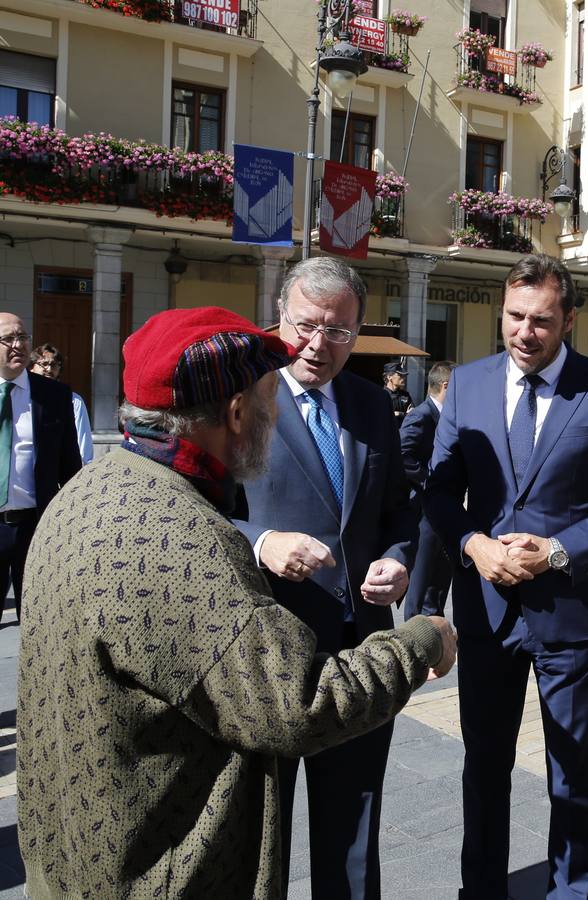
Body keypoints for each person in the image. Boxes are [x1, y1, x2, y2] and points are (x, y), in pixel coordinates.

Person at [16, 307, 456, 899]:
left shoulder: (89, 488)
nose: (277, 416)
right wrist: (422, 639)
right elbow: (298, 704)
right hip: (164, 869)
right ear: (235, 412)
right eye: (270, 401)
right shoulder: (181, 535)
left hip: (79, 853)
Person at [424, 253, 588, 899]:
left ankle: (571, 891)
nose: (525, 332)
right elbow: (438, 495)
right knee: (484, 765)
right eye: (515, 317)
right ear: (502, 312)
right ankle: (482, 890)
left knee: (572, 768)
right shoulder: (466, 387)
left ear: (569, 319)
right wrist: (472, 544)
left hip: (569, 615)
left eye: (541, 321)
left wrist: (555, 550)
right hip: (487, 613)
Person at [231, 257, 419, 898]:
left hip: (361, 645)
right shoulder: (243, 398)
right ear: (280, 320)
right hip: (268, 652)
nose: (319, 344)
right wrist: (261, 543)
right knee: (263, 831)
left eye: (338, 331)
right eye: (306, 326)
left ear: (357, 330)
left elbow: (397, 506)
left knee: (355, 826)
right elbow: (202, 512)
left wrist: (397, 557)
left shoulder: (372, 404)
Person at [0, 314, 80, 622]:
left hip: (33, 528)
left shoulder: (54, 396)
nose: (18, 345)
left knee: (37, 621)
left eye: (23, 337)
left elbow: (70, 467)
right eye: (8, 339)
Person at [400, 359, 457, 620]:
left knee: (439, 579)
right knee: (420, 582)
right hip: (423, 511)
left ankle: (435, 636)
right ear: (446, 386)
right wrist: (428, 481)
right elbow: (402, 454)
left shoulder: (447, 417)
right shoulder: (421, 415)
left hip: (443, 510)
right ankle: (413, 644)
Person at [30, 342, 93, 463]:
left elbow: (83, 444)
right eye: (44, 364)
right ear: (31, 367)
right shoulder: (23, 397)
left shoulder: (73, 401)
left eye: (54, 365)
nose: (49, 369)